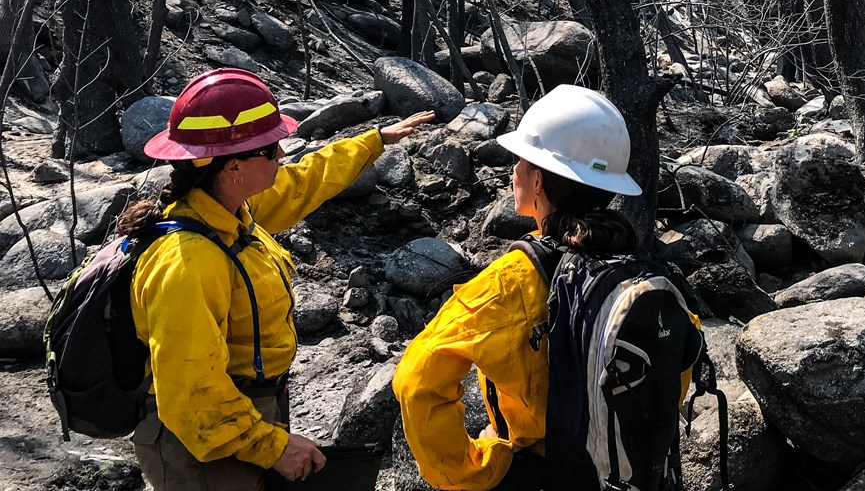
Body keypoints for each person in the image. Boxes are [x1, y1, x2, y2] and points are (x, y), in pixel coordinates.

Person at [116, 67, 437, 489]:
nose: (282, 154)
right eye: (269, 149)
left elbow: (304, 180)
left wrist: (375, 141)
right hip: (204, 446)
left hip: (239, 419)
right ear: (232, 166)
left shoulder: (230, 211)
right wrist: (272, 447)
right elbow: (190, 392)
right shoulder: (187, 262)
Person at [393, 84, 648, 491]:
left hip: (545, 474)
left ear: (538, 181)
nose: (514, 171)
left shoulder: (512, 280)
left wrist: (478, 467)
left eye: (519, 160)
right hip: (632, 474)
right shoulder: (638, 267)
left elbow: (416, 380)